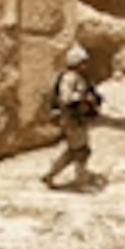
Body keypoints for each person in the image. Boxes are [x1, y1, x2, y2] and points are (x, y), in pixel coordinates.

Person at [42, 44, 102, 190]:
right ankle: (80, 181)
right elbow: (66, 98)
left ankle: (50, 175)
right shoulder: (69, 78)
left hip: (78, 119)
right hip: (72, 119)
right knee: (81, 151)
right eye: (83, 62)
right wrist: (84, 98)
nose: (86, 65)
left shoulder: (79, 78)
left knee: (73, 151)